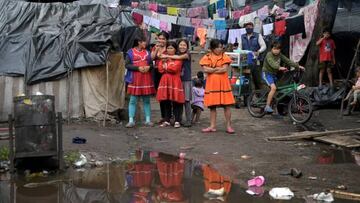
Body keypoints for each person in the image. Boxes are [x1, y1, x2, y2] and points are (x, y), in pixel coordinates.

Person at [199, 39, 235, 134]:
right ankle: (212, 126)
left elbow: (224, 69)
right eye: (217, 47)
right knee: (212, 106)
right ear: (212, 48)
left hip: (223, 83)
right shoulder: (207, 56)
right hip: (212, 84)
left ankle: (228, 126)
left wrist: (212, 69)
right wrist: (217, 69)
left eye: (220, 47)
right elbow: (205, 69)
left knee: (227, 105)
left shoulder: (225, 56)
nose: (219, 49)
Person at [262, 42, 305, 113]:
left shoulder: (280, 55)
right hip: (267, 73)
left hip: (274, 74)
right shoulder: (269, 55)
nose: (276, 50)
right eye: (274, 49)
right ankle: (267, 106)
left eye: (278, 49)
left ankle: (274, 104)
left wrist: (298, 66)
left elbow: (288, 61)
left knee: (278, 89)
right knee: (273, 88)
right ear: (271, 49)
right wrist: (280, 68)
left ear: (280, 50)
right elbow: (272, 64)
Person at [125, 35, 155, 128]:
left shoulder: (147, 52)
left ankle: (148, 120)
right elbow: (127, 65)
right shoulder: (130, 52)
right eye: (144, 41)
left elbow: (151, 64)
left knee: (146, 100)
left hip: (146, 78)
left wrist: (149, 67)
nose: (145, 43)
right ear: (139, 42)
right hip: (135, 78)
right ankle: (131, 120)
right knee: (133, 100)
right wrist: (138, 68)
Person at [160, 39, 192, 127]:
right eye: (180, 45)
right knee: (178, 99)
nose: (182, 47)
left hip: (186, 80)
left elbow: (178, 58)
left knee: (186, 100)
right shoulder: (176, 55)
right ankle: (179, 119)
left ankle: (189, 120)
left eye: (184, 45)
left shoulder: (187, 54)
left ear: (187, 47)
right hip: (177, 80)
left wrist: (166, 56)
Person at [156, 41, 185, 128]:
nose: (169, 50)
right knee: (166, 101)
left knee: (176, 101)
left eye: (171, 48)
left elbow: (175, 69)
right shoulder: (164, 58)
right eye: (168, 48)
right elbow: (160, 69)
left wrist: (166, 66)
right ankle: (167, 120)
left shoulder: (178, 58)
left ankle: (177, 120)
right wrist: (166, 66)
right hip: (165, 81)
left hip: (175, 81)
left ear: (175, 49)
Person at [238, 22, 267, 90]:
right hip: (245, 61)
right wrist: (240, 52)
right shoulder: (242, 36)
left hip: (255, 60)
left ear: (253, 27)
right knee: (246, 78)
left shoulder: (258, 35)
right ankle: (248, 96)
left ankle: (259, 95)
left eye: (250, 26)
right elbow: (239, 47)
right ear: (245, 28)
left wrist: (258, 52)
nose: (248, 28)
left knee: (257, 79)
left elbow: (264, 46)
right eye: (247, 27)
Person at [151, 31, 170, 124]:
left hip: (166, 73)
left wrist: (160, 55)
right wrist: (156, 50)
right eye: (160, 38)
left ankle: (168, 116)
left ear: (167, 40)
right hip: (157, 72)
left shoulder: (169, 48)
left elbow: (166, 58)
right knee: (160, 94)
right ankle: (163, 116)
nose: (161, 40)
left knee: (167, 94)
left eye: (163, 39)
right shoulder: (155, 47)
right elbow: (151, 58)